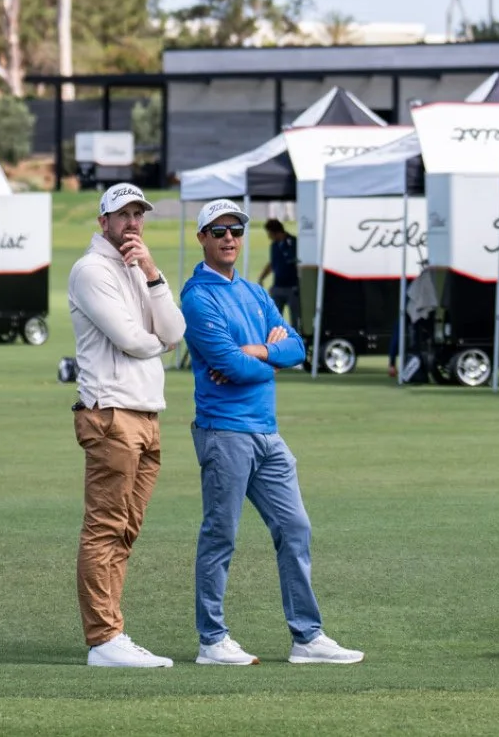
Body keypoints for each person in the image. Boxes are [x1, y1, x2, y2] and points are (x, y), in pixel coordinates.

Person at [178, 198, 363, 666]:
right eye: (218, 231)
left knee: (295, 527)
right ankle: (211, 640)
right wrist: (261, 358)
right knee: (221, 534)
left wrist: (256, 352)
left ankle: (307, 637)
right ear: (202, 238)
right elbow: (231, 366)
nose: (228, 238)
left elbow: (296, 348)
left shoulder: (255, 294)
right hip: (224, 432)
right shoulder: (197, 297)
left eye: (236, 230)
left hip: (267, 433)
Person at [66, 181, 188, 668]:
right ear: (104, 222)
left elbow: (175, 329)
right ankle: (103, 639)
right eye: (123, 215)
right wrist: (160, 342)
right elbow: (134, 340)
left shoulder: (140, 267)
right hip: (111, 412)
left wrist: (154, 274)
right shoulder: (90, 270)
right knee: (105, 527)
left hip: (146, 412)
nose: (133, 223)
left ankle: (112, 632)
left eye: (139, 214)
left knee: (126, 530)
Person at [257, 217, 300, 327]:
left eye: (269, 233)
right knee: (274, 320)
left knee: (295, 321)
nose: (268, 236)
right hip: (277, 288)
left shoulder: (293, 242)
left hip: (292, 289)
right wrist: (262, 277)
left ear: (275, 232)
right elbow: (273, 263)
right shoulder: (274, 246)